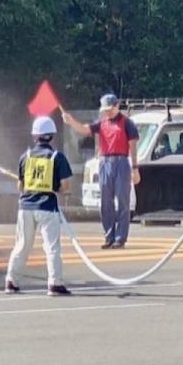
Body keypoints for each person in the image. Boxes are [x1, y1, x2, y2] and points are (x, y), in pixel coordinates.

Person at [5, 116, 73, 296]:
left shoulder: (24, 157)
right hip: (47, 207)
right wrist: (54, 188)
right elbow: (66, 186)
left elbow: (20, 186)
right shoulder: (57, 157)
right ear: (52, 136)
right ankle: (55, 283)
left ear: (35, 136)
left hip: (25, 207)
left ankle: (11, 281)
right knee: (51, 247)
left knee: (21, 245)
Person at [62, 94, 140, 249]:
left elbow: (133, 146)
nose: (108, 112)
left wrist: (135, 168)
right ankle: (109, 236)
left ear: (117, 106)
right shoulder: (102, 123)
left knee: (123, 201)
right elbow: (85, 130)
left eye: (110, 109)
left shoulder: (127, 123)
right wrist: (71, 122)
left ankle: (120, 237)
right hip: (105, 162)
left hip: (122, 162)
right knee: (105, 202)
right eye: (106, 110)